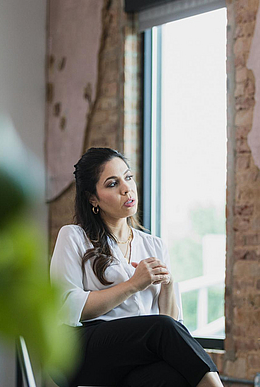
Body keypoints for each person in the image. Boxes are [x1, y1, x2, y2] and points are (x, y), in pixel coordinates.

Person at [50, 147, 222, 387]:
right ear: (93, 198)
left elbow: (171, 323)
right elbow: (68, 307)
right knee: (161, 330)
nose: (126, 188)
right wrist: (133, 284)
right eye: (112, 184)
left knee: (174, 377)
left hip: (135, 358)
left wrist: (169, 284)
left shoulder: (154, 245)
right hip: (80, 351)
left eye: (128, 177)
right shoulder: (74, 236)